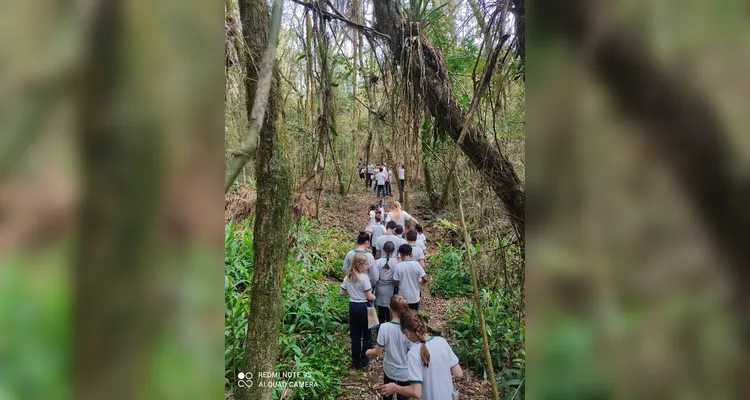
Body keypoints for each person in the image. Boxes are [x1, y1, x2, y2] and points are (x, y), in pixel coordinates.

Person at [380, 309, 463, 399]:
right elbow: (458, 373)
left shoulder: (413, 353)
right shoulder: (441, 341)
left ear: (406, 332)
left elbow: (416, 392)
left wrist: (395, 388)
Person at [366, 295, 414, 400]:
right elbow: (413, 352)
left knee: (387, 395)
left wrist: (368, 352)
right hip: (405, 373)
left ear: (390, 308)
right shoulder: (409, 329)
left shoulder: (384, 327)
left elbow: (377, 352)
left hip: (390, 370)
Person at [340, 253, 377, 370]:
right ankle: (365, 361)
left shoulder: (348, 277)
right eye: (366, 264)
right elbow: (369, 296)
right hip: (364, 306)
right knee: (366, 335)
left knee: (355, 335)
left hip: (353, 306)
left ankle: (355, 362)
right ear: (359, 265)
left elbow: (342, 292)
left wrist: (352, 292)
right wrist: (374, 297)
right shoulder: (364, 278)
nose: (368, 266)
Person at [394, 244, 427, 311]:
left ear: (400, 254)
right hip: (415, 296)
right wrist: (420, 283)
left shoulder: (398, 266)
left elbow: (395, 283)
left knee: (403, 316)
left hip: (403, 297)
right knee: (414, 316)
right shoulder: (417, 265)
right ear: (411, 253)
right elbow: (425, 278)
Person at [373, 241, 398, 323]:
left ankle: (380, 329)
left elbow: (375, 277)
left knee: (380, 311)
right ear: (393, 251)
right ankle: (389, 326)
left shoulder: (378, 262)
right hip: (391, 288)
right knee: (389, 310)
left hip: (380, 288)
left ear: (383, 249)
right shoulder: (396, 262)